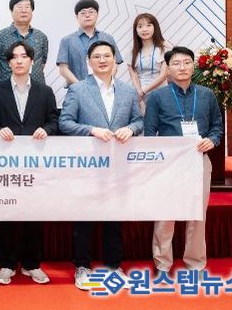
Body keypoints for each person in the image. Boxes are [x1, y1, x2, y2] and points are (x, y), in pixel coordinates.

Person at [58, 40, 143, 291]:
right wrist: (91, 130)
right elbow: (65, 123)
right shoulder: (78, 89)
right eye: (97, 56)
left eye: (107, 55)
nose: (102, 60)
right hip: (88, 165)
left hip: (118, 166)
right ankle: (82, 267)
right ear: (89, 61)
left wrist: (131, 129)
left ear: (114, 59)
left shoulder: (128, 91)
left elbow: (140, 121)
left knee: (114, 218)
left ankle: (114, 267)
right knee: (84, 218)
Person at [0, 41, 58, 285]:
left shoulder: (45, 91)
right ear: (8, 63)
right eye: (14, 57)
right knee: (7, 214)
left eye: (23, 56)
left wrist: (47, 130)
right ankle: (6, 264)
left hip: (36, 163)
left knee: (33, 215)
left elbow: (54, 120)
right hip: (6, 163)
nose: (19, 61)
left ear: (32, 61)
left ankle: (32, 264)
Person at [144, 46, 223, 276]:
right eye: (176, 63)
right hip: (168, 165)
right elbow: (149, 133)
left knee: (197, 215)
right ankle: (162, 264)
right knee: (165, 214)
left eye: (187, 62)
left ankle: (195, 264)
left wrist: (212, 140)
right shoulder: (157, 97)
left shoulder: (207, 95)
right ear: (168, 69)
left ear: (193, 66)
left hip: (199, 161)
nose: (182, 67)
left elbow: (217, 126)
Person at [57, 0, 123, 86]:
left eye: (91, 12)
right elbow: (63, 68)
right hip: (77, 89)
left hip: (105, 88)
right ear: (77, 16)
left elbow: (115, 62)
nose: (87, 15)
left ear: (97, 15)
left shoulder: (107, 38)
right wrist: (81, 87)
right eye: (83, 13)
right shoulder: (67, 40)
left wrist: (105, 83)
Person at [0, 0, 48, 84]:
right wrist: (5, 84)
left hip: (37, 89)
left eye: (27, 7)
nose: (23, 10)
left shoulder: (41, 36)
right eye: (19, 7)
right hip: (8, 90)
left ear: (32, 11)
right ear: (11, 11)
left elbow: (42, 63)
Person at [126, 13, 170, 112]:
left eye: (148, 25)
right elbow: (134, 76)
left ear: (155, 27)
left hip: (161, 93)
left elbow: (163, 75)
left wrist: (144, 91)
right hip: (140, 97)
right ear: (136, 30)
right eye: (140, 26)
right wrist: (139, 93)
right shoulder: (131, 51)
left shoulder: (165, 47)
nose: (144, 29)